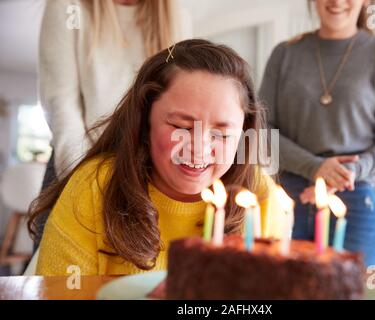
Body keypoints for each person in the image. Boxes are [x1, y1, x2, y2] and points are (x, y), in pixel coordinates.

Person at [28, 40, 286, 276]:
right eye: (181, 127)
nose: (199, 148)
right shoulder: (95, 187)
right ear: (144, 121)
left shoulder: (260, 197)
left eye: (221, 133)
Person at [259, 0, 375, 266]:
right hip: (288, 197)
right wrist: (315, 167)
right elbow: (260, 131)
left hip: (355, 197)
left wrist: (348, 172)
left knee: (348, 290)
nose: (337, 2)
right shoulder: (284, 54)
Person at [36, 0, 191, 245]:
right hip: (75, 165)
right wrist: (87, 184)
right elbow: (63, 107)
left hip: (147, 175)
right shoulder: (68, 8)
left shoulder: (177, 18)